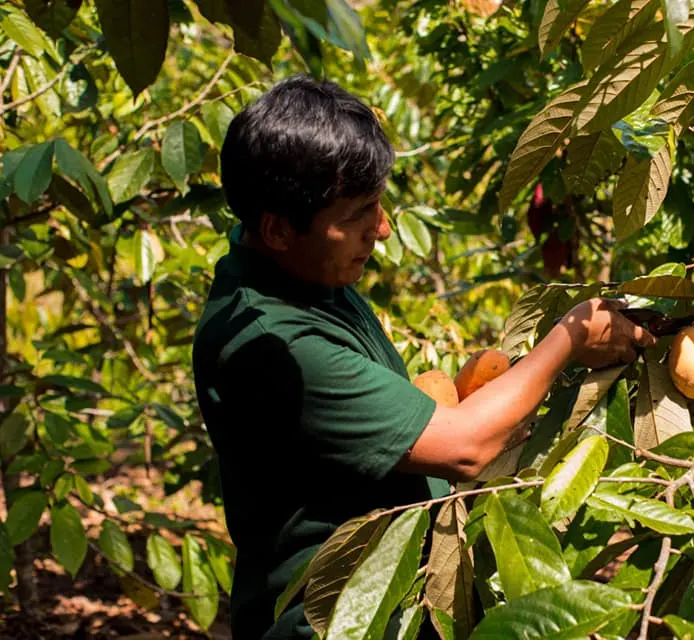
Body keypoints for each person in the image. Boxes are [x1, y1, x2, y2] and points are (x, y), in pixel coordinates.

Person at [191, 74, 656, 639]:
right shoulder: (275, 345)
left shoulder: (302, 275)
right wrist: (568, 340)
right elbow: (464, 448)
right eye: (359, 213)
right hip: (335, 622)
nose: (383, 229)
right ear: (278, 229)